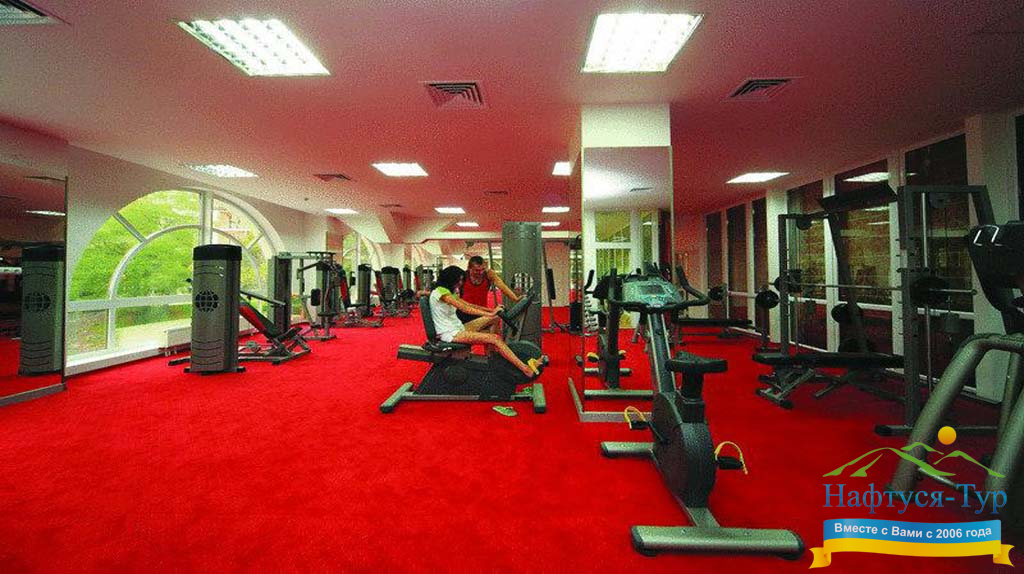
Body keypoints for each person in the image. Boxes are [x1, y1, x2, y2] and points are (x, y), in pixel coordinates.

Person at [431, 265, 540, 378]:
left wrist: (491, 311)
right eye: (459, 280)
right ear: (450, 279)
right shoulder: (441, 292)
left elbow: (467, 304)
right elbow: (464, 308)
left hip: (457, 328)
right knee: (495, 338)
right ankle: (526, 369)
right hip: (449, 333)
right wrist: (490, 313)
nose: (461, 283)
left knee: (494, 322)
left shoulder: (449, 292)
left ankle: (492, 360)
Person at [457, 255, 521, 325]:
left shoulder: (488, 274)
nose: (481, 272)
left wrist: (515, 298)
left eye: (483, 269)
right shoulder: (463, 276)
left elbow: (502, 286)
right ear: (469, 268)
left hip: (481, 312)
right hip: (464, 312)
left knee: (495, 320)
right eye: (477, 270)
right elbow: (457, 298)